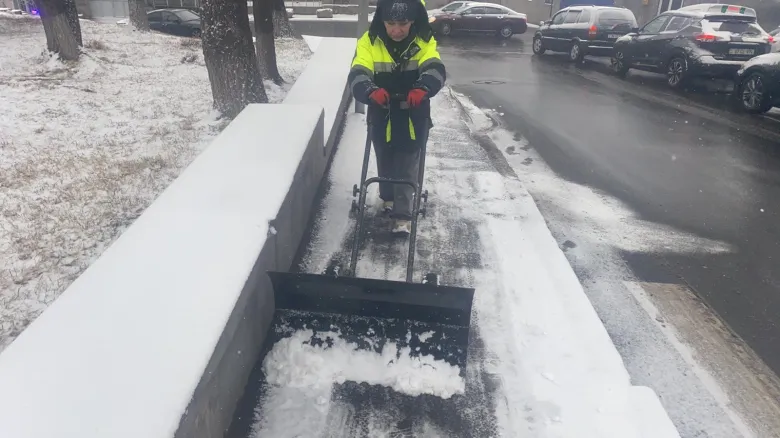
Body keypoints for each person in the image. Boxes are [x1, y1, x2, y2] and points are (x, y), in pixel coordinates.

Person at [348, 0, 446, 235]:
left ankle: (403, 215)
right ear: (382, 21)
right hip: (382, 111)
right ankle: (388, 197)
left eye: (403, 23)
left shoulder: (423, 41)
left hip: (413, 114)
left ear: (412, 21)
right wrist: (369, 90)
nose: (397, 30)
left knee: (407, 162)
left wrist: (424, 87)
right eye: (391, 23)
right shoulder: (369, 41)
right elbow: (358, 71)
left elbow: (434, 67)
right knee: (384, 156)